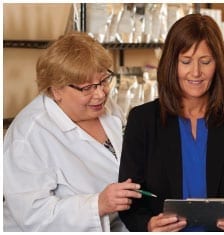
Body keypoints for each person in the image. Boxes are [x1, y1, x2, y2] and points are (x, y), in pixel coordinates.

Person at [118, 13, 224, 232]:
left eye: (205, 62)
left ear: (218, 64)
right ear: (171, 64)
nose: (196, 72)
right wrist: (147, 225)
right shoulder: (143, 120)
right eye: (185, 61)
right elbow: (130, 201)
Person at [3, 32, 143, 231]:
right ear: (56, 90)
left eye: (104, 80)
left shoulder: (106, 108)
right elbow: (32, 215)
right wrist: (97, 204)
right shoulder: (29, 134)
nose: (101, 93)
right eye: (87, 88)